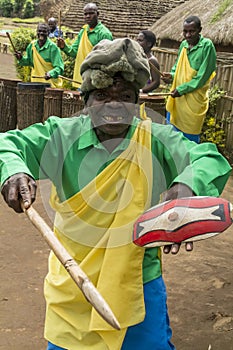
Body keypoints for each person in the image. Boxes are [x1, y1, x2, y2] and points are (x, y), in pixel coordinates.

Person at [0, 38, 231, 350]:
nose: (114, 107)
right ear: (85, 99)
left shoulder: (156, 138)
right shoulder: (60, 135)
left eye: (124, 97)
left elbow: (208, 158)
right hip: (73, 285)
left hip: (138, 281)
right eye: (101, 96)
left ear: (137, 101)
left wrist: (186, 187)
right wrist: (14, 170)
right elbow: (9, 144)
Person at [162, 15, 217, 143]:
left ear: (200, 30)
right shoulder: (183, 45)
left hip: (193, 101)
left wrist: (181, 89)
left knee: (189, 141)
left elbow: (202, 78)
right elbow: (177, 67)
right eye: (185, 31)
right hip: (177, 99)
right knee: (172, 138)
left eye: (191, 31)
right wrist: (171, 76)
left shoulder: (207, 46)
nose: (187, 35)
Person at [57, 2, 113, 89]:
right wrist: (64, 47)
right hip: (81, 78)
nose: (88, 16)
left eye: (91, 13)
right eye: (85, 14)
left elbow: (108, 60)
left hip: (95, 82)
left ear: (97, 14)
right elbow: (75, 52)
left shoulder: (104, 34)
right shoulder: (83, 31)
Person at [15, 23, 64, 88]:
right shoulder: (32, 46)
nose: (41, 33)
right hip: (35, 83)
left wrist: (51, 74)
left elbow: (59, 68)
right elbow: (29, 62)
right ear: (36, 32)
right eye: (39, 31)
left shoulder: (53, 48)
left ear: (48, 33)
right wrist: (20, 58)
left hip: (50, 85)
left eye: (44, 31)